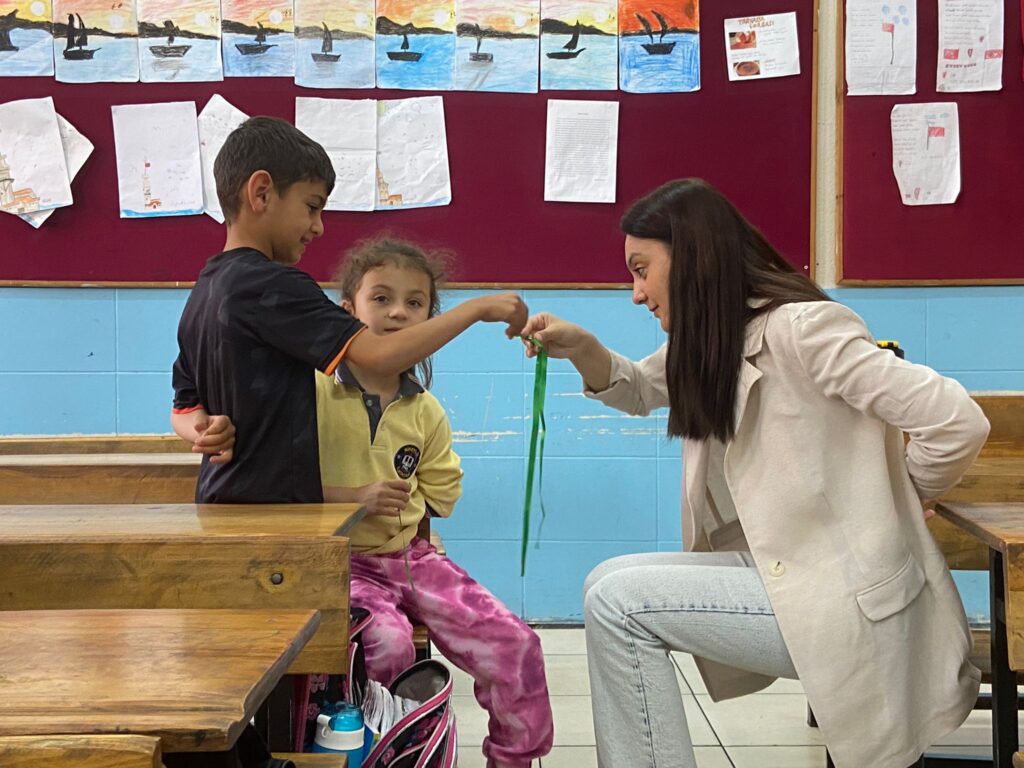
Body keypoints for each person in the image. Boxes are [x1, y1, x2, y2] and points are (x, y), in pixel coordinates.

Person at [521, 178, 989, 768]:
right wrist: (582, 345)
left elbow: (955, 421)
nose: (636, 293)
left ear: (691, 257)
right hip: (791, 571)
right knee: (605, 580)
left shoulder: (803, 329)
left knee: (619, 602)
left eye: (642, 269)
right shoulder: (717, 336)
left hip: (843, 594)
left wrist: (891, 499)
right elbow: (638, 388)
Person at [170, 117, 527, 502]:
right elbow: (379, 356)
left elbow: (185, 408)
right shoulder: (273, 287)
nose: (319, 226)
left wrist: (202, 429)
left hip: (221, 507)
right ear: (261, 193)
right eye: (311, 207)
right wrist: (477, 308)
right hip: (271, 524)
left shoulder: (204, 289)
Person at [316, 238, 553, 768]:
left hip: (411, 559)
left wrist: (419, 517)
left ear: (430, 317)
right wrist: (352, 498)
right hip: (336, 564)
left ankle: (513, 760)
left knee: (516, 645)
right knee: (387, 647)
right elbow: (274, 486)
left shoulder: (426, 411)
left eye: (415, 303)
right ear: (348, 308)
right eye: (381, 298)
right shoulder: (310, 394)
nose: (399, 312)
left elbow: (442, 495)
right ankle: (387, 756)